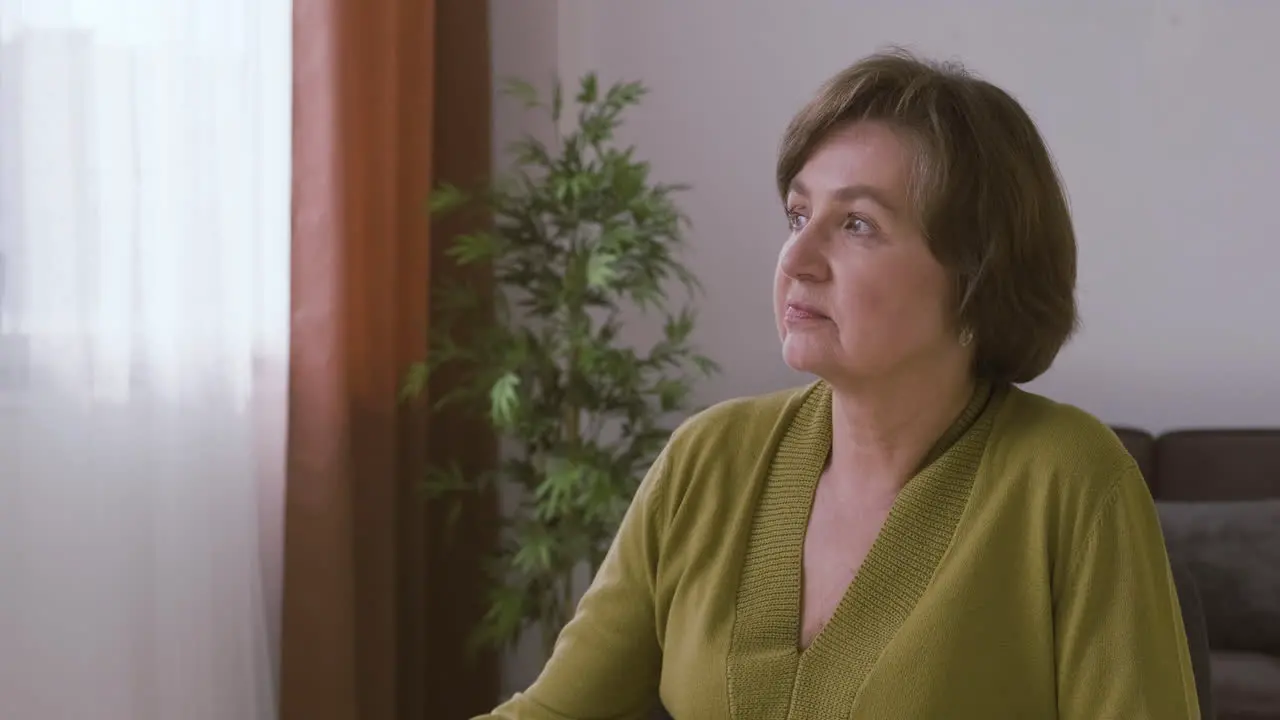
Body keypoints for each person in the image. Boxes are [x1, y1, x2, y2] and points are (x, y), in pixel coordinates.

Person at [476, 50, 1201, 719]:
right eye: (798, 214)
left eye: (856, 224)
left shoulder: (1070, 479)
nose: (797, 257)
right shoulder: (707, 458)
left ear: (977, 275)